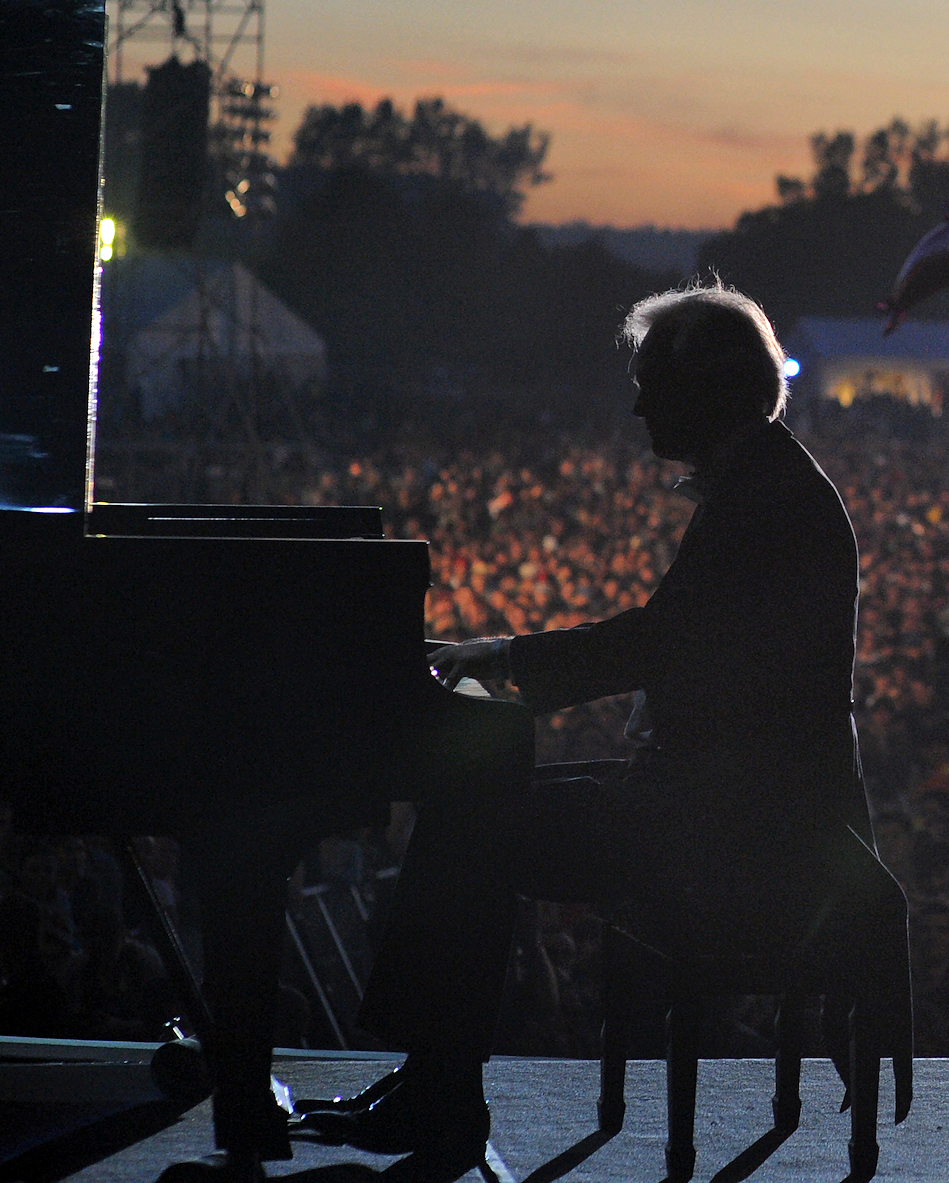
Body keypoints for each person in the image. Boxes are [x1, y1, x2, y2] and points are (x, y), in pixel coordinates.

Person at [303, 285, 906, 1178]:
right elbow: (692, 649)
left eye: (649, 381)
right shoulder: (765, 485)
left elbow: (660, 641)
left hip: (737, 828)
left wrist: (499, 653)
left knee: (477, 815)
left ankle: (439, 1094)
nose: (635, 404)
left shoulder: (765, 502)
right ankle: (433, 1082)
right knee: (474, 798)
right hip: (734, 805)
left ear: (706, 388)